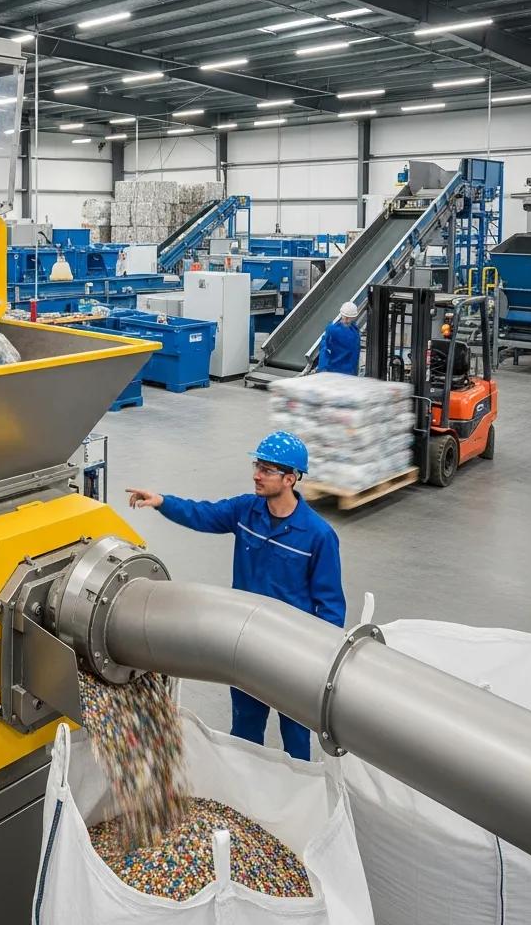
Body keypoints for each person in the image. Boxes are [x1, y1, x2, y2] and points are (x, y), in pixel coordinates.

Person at [126, 431, 345, 761]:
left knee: (296, 732)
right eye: (257, 465)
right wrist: (162, 502)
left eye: (267, 469)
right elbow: (204, 514)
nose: (256, 474)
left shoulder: (318, 536)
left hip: (292, 652)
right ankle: (243, 791)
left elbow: (330, 606)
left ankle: (298, 793)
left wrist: (319, 660)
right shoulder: (247, 511)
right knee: (245, 726)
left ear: (290, 478)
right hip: (245, 643)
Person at [318, 301, 361, 375]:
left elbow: (325, 347)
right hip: (347, 372)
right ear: (354, 317)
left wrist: (322, 368)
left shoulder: (332, 329)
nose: (347, 319)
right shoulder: (355, 333)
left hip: (335, 371)